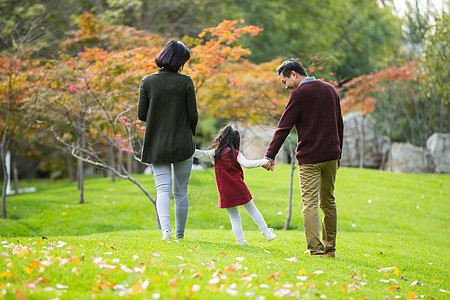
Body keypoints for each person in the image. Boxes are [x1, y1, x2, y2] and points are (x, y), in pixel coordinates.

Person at [263, 59, 343, 257]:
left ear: (294, 74)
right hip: (331, 156)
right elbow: (339, 124)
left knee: (310, 204)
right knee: (328, 202)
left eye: (285, 82)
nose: (286, 87)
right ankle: (330, 248)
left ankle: (316, 250)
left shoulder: (299, 94)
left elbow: (284, 127)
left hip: (310, 158)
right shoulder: (330, 90)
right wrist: (338, 152)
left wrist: (269, 155)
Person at [138, 40, 198, 240]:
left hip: (157, 144)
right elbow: (193, 115)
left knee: (162, 189)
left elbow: (141, 114)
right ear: (179, 60)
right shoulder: (186, 81)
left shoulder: (147, 81)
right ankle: (180, 234)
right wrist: (189, 133)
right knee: (181, 192)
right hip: (183, 144)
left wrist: (159, 121)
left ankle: (166, 232)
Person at [194, 126, 277, 245]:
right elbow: (247, 164)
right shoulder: (236, 154)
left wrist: (186, 146)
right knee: (252, 210)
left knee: (234, 218)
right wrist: (263, 161)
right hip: (239, 188)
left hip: (225, 191)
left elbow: (199, 154)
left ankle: (241, 242)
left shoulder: (214, 154)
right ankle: (267, 234)